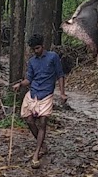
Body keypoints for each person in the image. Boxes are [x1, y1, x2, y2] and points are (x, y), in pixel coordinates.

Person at [12, 34, 66, 167]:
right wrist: (20, 85)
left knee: (43, 122)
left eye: (38, 48)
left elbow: (60, 75)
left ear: (43, 45)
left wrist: (62, 93)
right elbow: (29, 79)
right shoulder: (32, 61)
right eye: (34, 49)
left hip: (46, 95)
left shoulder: (53, 57)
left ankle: (36, 153)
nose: (36, 51)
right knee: (29, 120)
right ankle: (42, 144)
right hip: (34, 93)